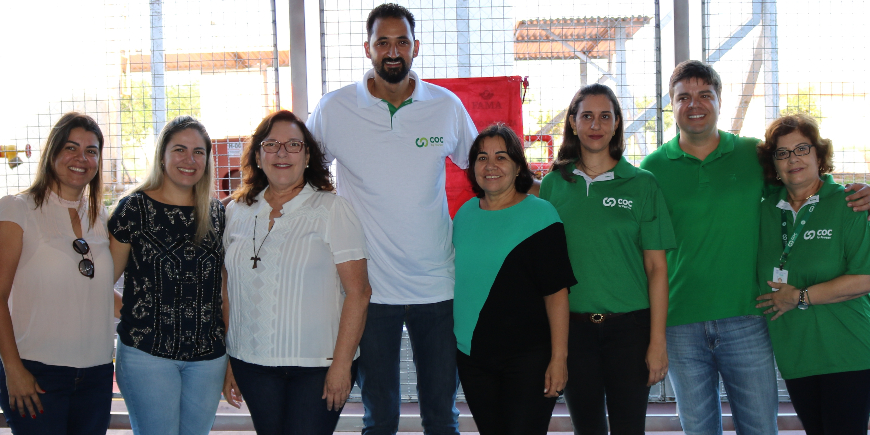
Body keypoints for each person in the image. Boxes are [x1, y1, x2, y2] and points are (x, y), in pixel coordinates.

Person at [640, 60, 870, 435]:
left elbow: (804, 183)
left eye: (704, 95)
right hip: (680, 323)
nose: (694, 104)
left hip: (748, 317)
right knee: (698, 429)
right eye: (684, 97)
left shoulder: (752, 154)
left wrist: (860, 192)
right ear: (672, 103)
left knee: (760, 427)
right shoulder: (652, 168)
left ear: (719, 100)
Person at [306, 4, 477, 434]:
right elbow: (302, 174)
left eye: (402, 41)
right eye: (383, 42)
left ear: (416, 47)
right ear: (368, 48)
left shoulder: (446, 106)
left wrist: (545, 193)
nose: (393, 51)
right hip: (369, 291)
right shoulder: (334, 108)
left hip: (437, 286)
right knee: (380, 418)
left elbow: (487, 171)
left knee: (442, 416)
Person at [221, 110, 371, 434]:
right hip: (251, 363)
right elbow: (229, 289)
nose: (282, 153)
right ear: (258, 156)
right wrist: (231, 357)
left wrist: (342, 365)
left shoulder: (332, 210)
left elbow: (359, 293)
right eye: (271, 144)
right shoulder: (236, 211)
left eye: (293, 145)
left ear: (307, 157)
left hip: (318, 366)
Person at [541, 84, 673, 434]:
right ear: (573, 122)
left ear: (616, 124)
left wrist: (657, 341)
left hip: (630, 330)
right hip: (572, 332)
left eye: (604, 116)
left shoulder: (643, 184)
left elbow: (657, 268)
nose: (595, 125)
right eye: (587, 116)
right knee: (588, 429)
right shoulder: (553, 185)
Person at [453, 124, 574, 435]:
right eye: (482, 158)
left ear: (518, 166)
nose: (490, 165)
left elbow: (556, 293)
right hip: (473, 358)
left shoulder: (541, 215)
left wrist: (559, 358)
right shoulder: (464, 214)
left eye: (501, 157)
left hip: (529, 359)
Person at [109, 115, 226, 435]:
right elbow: (100, 284)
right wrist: (136, 315)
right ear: (162, 155)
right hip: (146, 355)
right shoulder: (133, 209)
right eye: (179, 150)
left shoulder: (217, 213)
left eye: (199, 152)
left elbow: (224, 289)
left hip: (208, 359)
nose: (190, 159)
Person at [0, 112, 116, 434]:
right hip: (36, 373)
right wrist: (13, 369)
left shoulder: (100, 215)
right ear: (52, 153)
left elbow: (97, 289)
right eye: (71, 147)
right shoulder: (17, 209)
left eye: (91, 151)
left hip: (97, 374)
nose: (81, 158)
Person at [755, 114, 870, 435]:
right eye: (782, 153)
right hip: (795, 353)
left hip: (846, 351)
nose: (793, 159)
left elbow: (865, 278)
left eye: (802, 149)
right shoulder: (764, 211)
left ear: (819, 156)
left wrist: (800, 297)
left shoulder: (850, 203)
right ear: (774, 164)